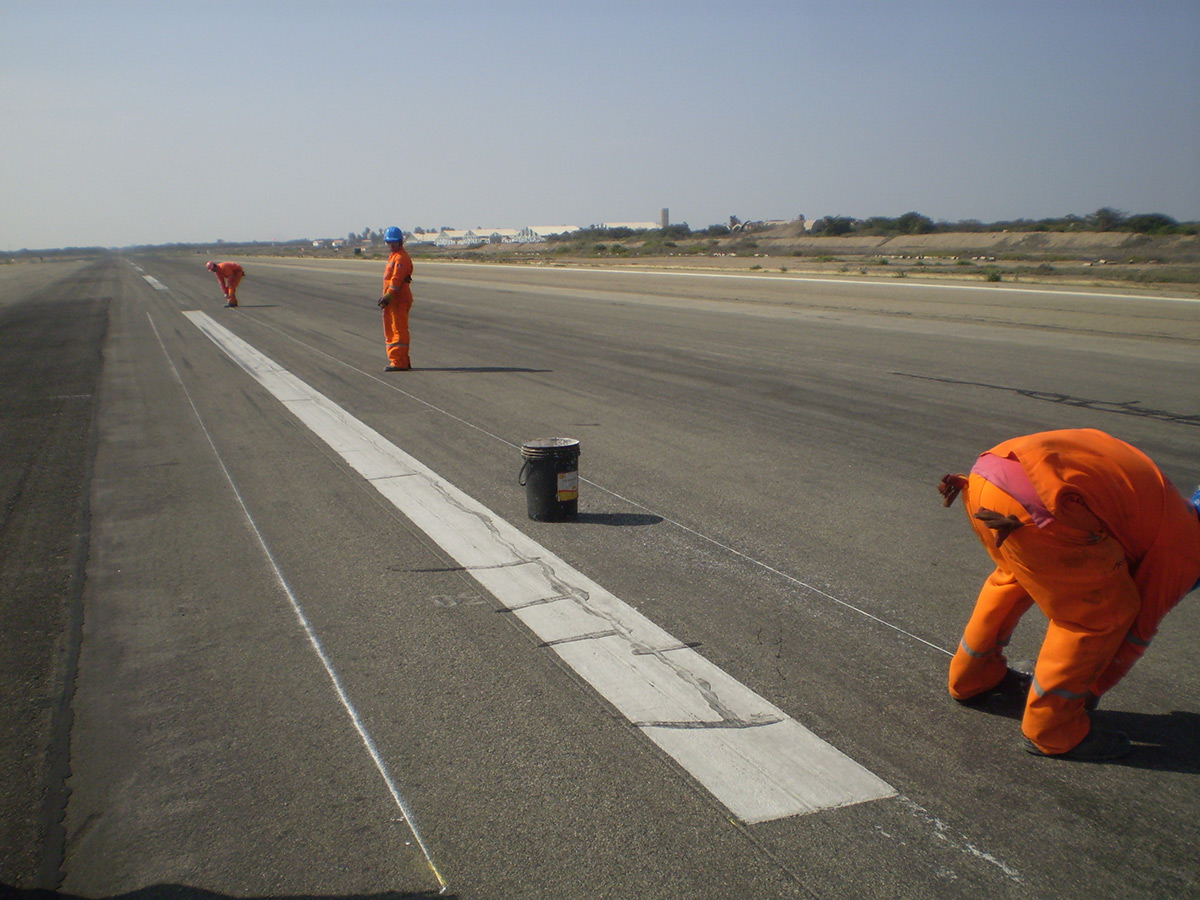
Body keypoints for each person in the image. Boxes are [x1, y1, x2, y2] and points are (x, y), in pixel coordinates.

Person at [938, 428, 1200, 761]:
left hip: (988, 478)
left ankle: (974, 677)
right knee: (1103, 615)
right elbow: (1137, 628)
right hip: (1043, 504)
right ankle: (1052, 728)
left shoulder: (1164, 504)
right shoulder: (1186, 547)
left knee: (1015, 579)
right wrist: (1088, 689)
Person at [377, 226, 413, 371]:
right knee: (394, 330)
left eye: (394, 242)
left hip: (398, 301)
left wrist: (388, 297)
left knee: (397, 331)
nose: (391, 245)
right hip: (393, 301)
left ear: (400, 242)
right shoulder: (394, 256)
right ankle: (403, 360)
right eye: (389, 242)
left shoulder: (400, 257)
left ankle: (399, 362)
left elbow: (396, 280)